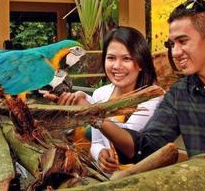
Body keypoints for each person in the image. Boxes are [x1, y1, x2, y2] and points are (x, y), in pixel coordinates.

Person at [95, 0, 205, 167]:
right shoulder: (179, 94)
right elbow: (145, 148)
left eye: (183, 41)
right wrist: (95, 118)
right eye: (172, 44)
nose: (175, 52)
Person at [56, 26, 160, 173]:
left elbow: (127, 139)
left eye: (127, 58)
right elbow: (97, 142)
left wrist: (89, 108)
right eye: (111, 58)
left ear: (141, 63)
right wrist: (100, 155)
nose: (117, 66)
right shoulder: (100, 94)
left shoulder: (152, 98)